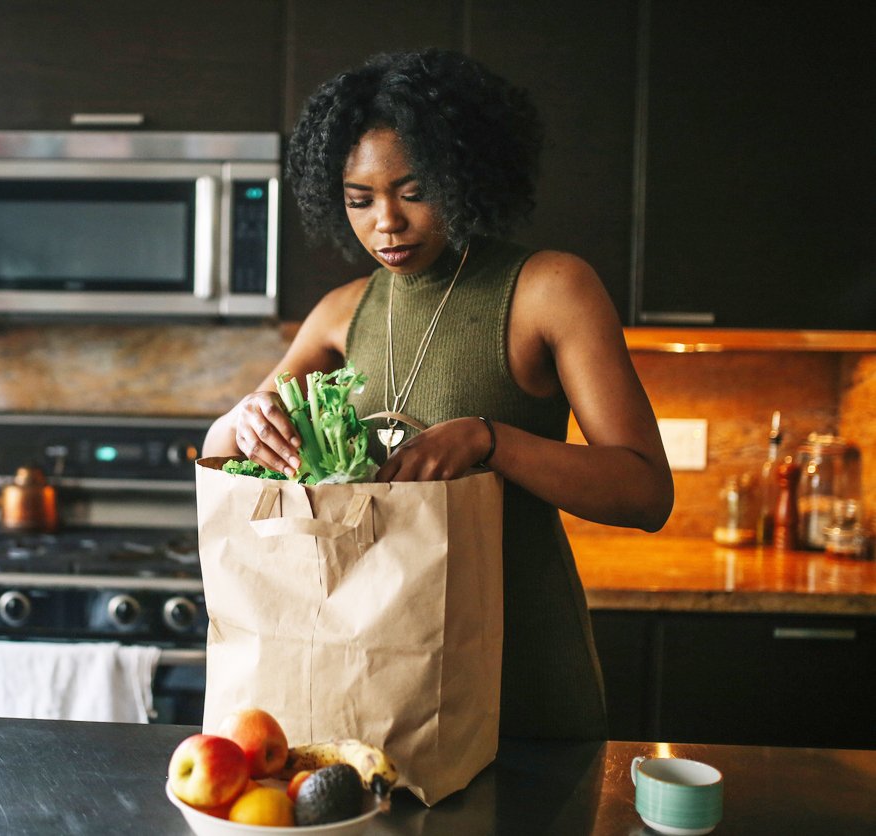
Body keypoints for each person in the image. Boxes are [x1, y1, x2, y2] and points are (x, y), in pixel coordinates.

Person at [203, 48, 674, 740]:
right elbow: (216, 451)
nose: (385, 223)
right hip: (371, 679)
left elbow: (645, 494)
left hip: (522, 673)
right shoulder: (342, 312)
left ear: (463, 178)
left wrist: (491, 440)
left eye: (413, 191)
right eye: (359, 200)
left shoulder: (550, 289)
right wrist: (248, 420)